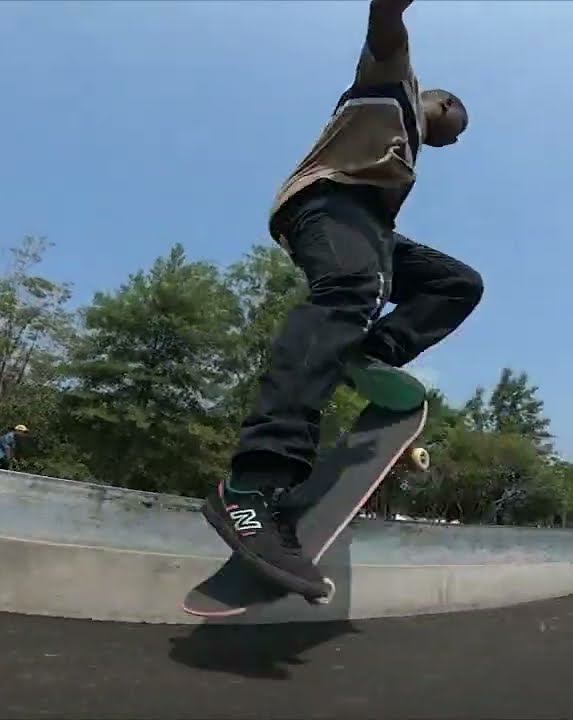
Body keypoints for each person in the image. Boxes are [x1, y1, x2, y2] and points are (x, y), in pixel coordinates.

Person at [202, 0, 485, 599]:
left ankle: (371, 352)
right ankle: (254, 483)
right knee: (351, 289)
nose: (453, 143)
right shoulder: (394, 82)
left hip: (370, 227)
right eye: (456, 131)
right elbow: (385, 19)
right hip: (328, 203)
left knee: (456, 283)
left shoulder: (407, 137)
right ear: (443, 103)